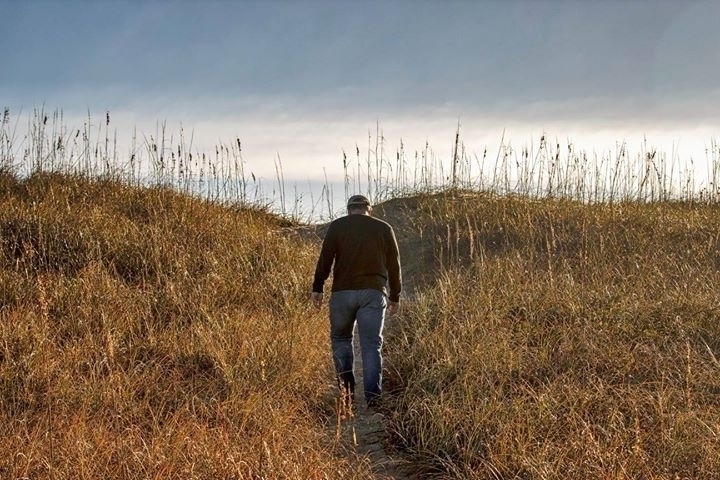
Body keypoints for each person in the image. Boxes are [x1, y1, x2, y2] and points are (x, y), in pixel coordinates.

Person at [311, 194, 402, 410]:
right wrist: (395, 295)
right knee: (371, 345)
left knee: (341, 340)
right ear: (368, 209)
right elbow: (394, 264)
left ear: (349, 209)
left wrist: (318, 287)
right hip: (373, 293)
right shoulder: (383, 228)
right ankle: (373, 398)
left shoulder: (338, 226)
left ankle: (347, 395)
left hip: (342, 294)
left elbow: (325, 259)